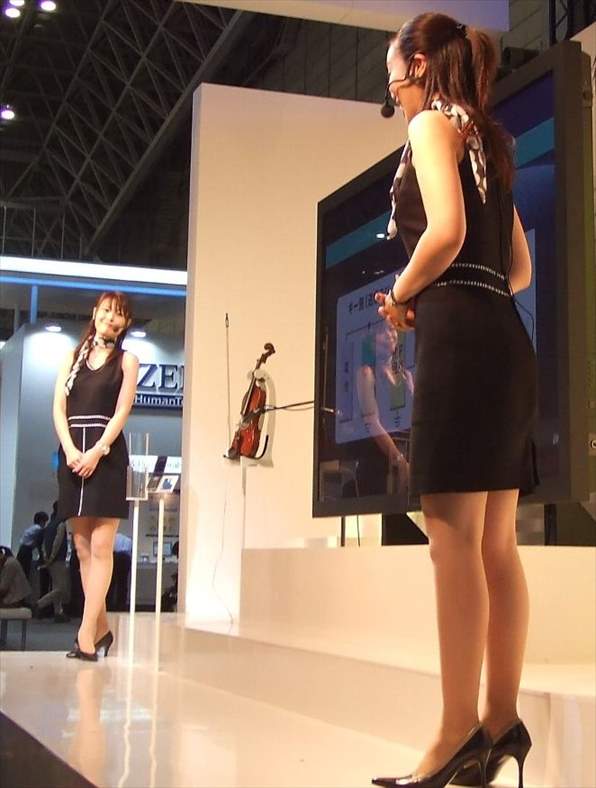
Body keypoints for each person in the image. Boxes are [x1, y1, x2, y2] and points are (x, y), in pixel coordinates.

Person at [371, 13, 538, 788]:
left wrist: (404, 293)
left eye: (391, 74)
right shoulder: (489, 140)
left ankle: (453, 735)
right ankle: (499, 723)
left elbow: (442, 232)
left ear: (416, 64)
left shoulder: (432, 127)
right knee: (496, 545)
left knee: (452, 543)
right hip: (503, 338)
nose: (392, 90)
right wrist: (452, 291)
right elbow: (520, 269)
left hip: (462, 346)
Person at [53, 291, 139, 661]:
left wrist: (98, 450)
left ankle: (86, 635)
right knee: (82, 548)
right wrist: (71, 449)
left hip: (107, 456)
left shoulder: (128, 361)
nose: (110, 318)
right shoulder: (72, 357)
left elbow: (122, 411)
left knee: (102, 547)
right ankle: (101, 628)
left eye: (118, 314)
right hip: (73, 453)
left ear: (126, 323)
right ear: (95, 312)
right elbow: (58, 407)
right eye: (106, 311)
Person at [35, 502, 70, 622]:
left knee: (56, 586)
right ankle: (40, 603)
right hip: (58, 560)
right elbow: (57, 543)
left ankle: (58, 612)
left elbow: (44, 543)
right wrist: (52, 557)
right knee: (62, 588)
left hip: (50, 560)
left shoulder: (50, 524)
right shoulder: (61, 524)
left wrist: (46, 557)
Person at [16, 511, 48, 581]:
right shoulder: (38, 529)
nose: (45, 524)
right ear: (41, 521)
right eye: (45, 522)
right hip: (26, 551)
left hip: (22, 550)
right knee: (25, 572)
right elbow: (40, 541)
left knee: (20, 572)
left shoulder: (32, 528)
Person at [107, 532, 132, 611]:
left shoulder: (111, 538)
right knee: (123, 583)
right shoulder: (128, 540)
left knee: (111, 583)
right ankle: (121, 605)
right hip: (125, 559)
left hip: (114, 558)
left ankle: (109, 604)